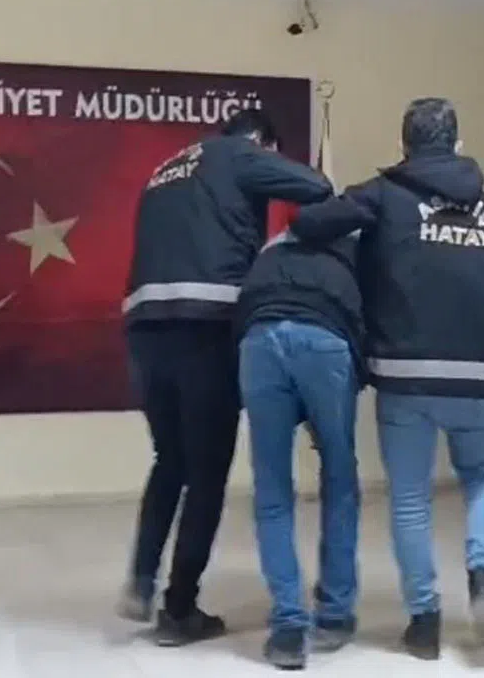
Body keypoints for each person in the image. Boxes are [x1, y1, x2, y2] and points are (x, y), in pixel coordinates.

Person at [290, 98, 484, 660]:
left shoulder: (384, 194)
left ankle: (424, 621)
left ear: (403, 147)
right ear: (458, 145)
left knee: (411, 498)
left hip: (407, 372)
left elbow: (309, 223)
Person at [119, 109, 334, 647]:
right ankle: (178, 609)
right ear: (262, 143)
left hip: (144, 327)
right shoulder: (238, 154)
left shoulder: (167, 168)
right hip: (206, 326)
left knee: (170, 459)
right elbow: (316, 186)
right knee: (207, 472)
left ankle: (141, 578)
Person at [234, 224, 364, 670]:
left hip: (258, 341)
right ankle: (334, 614)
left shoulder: (276, 243)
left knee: (271, 488)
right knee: (340, 478)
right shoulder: (357, 244)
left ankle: (288, 627)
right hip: (324, 341)